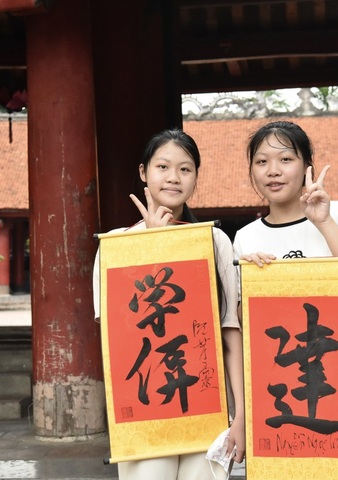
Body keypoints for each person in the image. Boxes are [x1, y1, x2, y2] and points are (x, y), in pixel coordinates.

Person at [232, 121, 338, 480]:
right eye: (261, 161)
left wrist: (324, 221)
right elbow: (243, 324)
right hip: (278, 396)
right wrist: (257, 283)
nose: (273, 170)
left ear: (306, 165)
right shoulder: (245, 238)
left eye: (286, 159)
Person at [92, 129, 245, 480]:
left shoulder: (214, 239)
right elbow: (115, 338)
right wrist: (150, 247)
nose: (174, 177)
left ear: (195, 177)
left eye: (185, 169)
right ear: (144, 172)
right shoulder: (115, 245)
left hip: (205, 405)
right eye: (163, 166)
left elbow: (229, 332)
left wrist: (240, 415)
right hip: (146, 411)